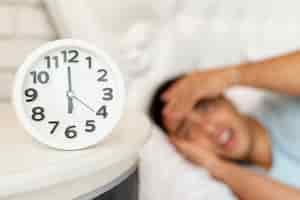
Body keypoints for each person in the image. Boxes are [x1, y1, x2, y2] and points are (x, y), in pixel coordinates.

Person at [149, 50, 300, 199]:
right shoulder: (242, 186)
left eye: (205, 107)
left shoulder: (285, 100)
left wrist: (231, 75)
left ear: (225, 99)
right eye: (188, 131)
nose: (208, 128)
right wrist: (215, 167)